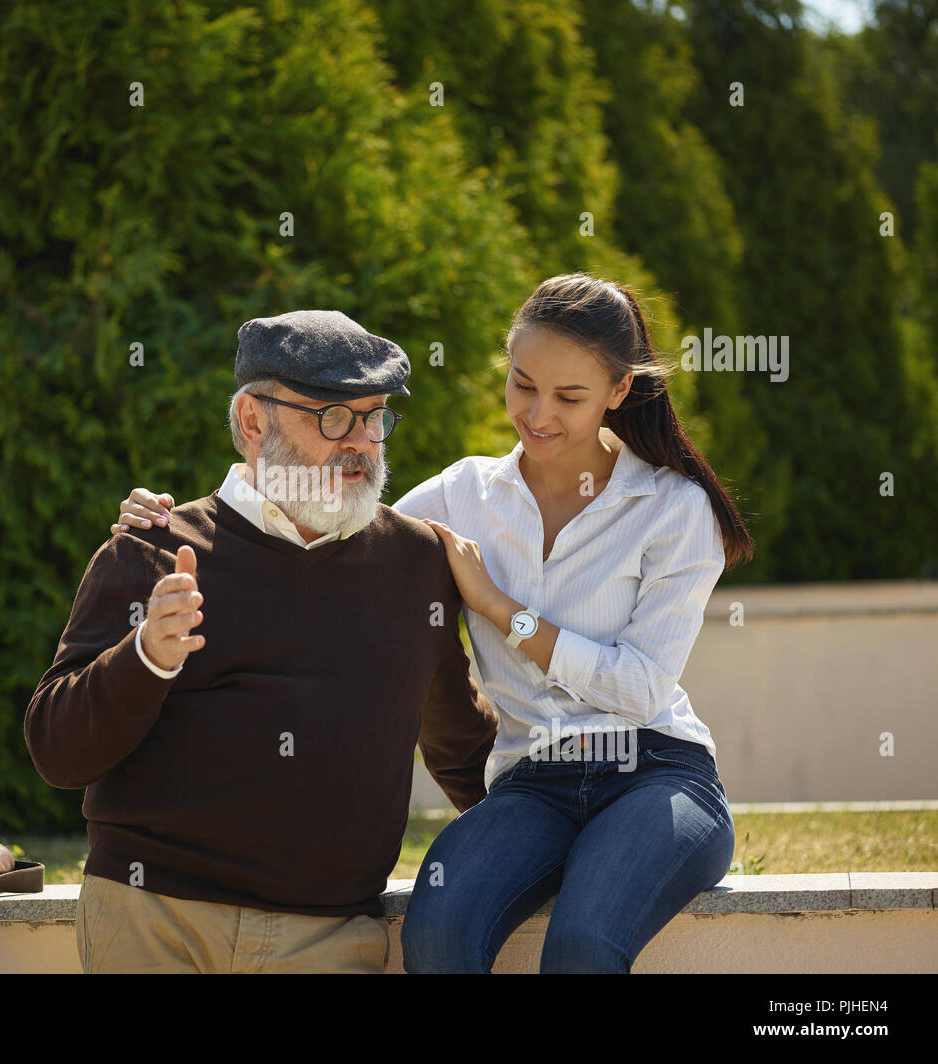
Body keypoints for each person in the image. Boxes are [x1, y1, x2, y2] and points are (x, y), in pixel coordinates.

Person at [113, 273, 754, 973]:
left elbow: (638, 688)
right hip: (532, 784)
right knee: (437, 934)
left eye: (569, 397)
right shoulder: (462, 495)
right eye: (522, 384)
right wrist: (172, 522)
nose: (538, 413)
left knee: (583, 943)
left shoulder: (672, 508)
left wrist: (503, 613)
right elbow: (325, 533)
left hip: (656, 774)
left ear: (618, 392)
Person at [27, 309, 498, 974]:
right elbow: (56, 750)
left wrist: (559, 830)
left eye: (375, 416)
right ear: (253, 421)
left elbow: (463, 749)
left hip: (328, 939)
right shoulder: (153, 550)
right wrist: (145, 658)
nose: (362, 441)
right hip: (152, 920)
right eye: (334, 417)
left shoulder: (416, 563)